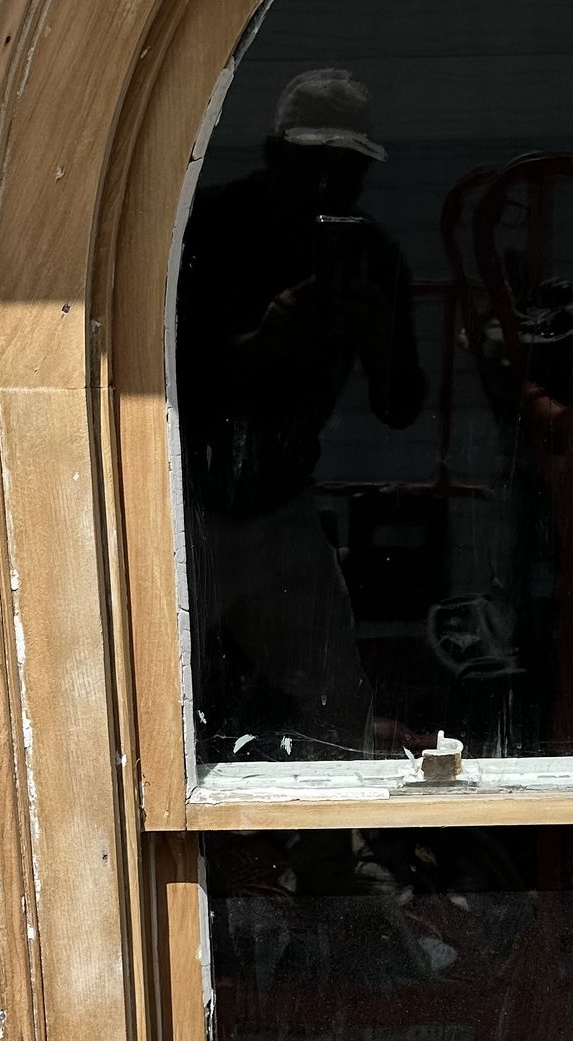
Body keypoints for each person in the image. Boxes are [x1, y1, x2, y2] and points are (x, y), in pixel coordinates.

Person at [176, 68, 425, 755]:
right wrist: (265, 341)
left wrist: (379, 336)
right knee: (160, 693)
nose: (324, 186)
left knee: (337, 700)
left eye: (345, 170)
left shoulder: (371, 257)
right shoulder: (211, 232)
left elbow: (400, 406)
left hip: (280, 507)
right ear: (274, 155)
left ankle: (332, 828)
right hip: (183, 504)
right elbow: (157, 384)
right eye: (311, 164)